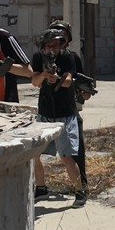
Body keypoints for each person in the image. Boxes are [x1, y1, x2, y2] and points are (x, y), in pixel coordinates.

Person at [31, 28, 87, 208]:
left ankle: (80, 192)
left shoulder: (68, 57)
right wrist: (43, 75)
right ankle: (41, 188)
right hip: (45, 112)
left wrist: (57, 79)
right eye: (48, 46)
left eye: (55, 45)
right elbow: (34, 82)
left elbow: (69, 80)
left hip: (65, 113)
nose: (52, 49)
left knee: (66, 156)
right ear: (43, 47)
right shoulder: (38, 57)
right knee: (35, 154)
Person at [48, 19, 91, 192]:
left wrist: (83, 90)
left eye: (62, 35)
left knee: (76, 149)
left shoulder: (72, 57)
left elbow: (82, 83)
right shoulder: (44, 56)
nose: (59, 38)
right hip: (49, 108)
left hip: (69, 108)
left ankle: (82, 187)